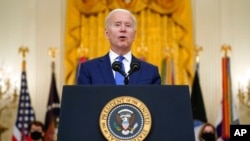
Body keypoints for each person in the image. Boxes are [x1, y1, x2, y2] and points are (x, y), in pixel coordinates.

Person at [77, 8, 161, 85]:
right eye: (117, 24)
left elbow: (155, 100)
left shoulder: (150, 71)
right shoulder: (89, 69)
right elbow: (83, 100)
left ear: (134, 35)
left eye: (128, 25)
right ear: (107, 34)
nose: (123, 29)